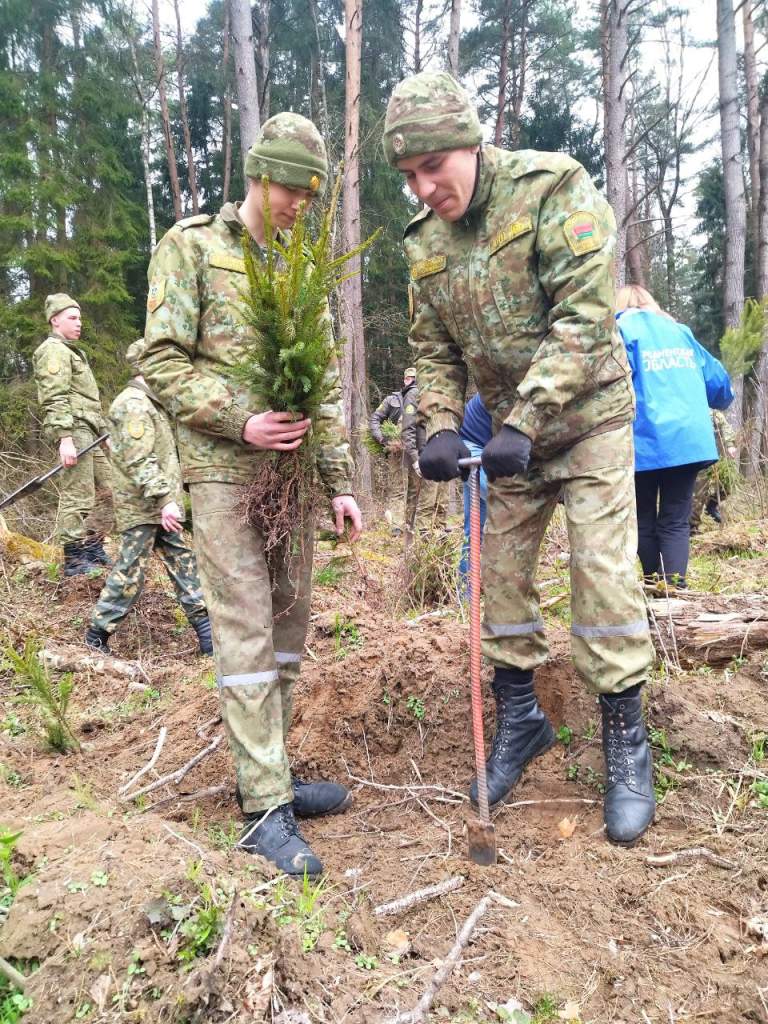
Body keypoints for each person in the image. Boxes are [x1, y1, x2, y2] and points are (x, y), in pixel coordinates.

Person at [384, 71, 656, 845]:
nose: (424, 188)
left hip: (590, 422)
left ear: (468, 141)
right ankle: (521, 721)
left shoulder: (551, 189)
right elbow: (432, 350)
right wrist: (438, 426)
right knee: (496, 577)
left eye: (432, 167)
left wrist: (529, 417)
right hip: (509, 443)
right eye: (409, 177)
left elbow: (584, 316)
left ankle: (626, 746)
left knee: (601, 576)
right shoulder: (425, 244)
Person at [138, 112, 363, 877]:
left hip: (291, 483)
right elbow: (159, 361)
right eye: (293, 186)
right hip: (226, 474)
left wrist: (338, 483)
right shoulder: (193, 247)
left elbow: (325, 385)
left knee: (290, 632)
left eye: (312, 191)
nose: (301, 203)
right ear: (260, 175)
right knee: (245, 635)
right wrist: (241, 421)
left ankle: (271, 771)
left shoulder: (302, 268)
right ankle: (262, 809)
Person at [85, 340, 212, 656]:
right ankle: (95, 636)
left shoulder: (152, 404)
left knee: (185, 563)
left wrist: (172, 495)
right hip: (144, 507)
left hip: (160, 507)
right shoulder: (133, 405)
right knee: (131, 571)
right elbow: (140, 460)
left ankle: (209, 637)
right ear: (146, 366)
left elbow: (164, 458)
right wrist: (163, 499)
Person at [615, 285, 734, 586]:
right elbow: (719, 384)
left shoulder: (619, 331)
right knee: (675, 520)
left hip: (642, 439)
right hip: (688, 441)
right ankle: (675, 592)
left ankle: (658, 588)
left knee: (642, 519)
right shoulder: (680, 332)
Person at [33, 294, 112, 576]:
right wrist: (64, 437)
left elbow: (89, 401)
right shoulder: (52, 350)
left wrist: (105, 433)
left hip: (91, 431)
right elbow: (54, 397)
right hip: (75, 430)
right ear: (55, 320)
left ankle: (93, 545)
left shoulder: (72, 351)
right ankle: (75, 558)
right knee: (77, 493)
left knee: (111, 489)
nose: (80, 323)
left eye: (79, 318)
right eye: (72, 318)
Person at [458, 393, 492, 586]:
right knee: (505, 497)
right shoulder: (509, 386)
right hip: (473, 444)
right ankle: (465, 592)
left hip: (500, 445)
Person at [689, 410, 738, 531]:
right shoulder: (691, 411)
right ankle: (692, 527)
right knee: (699, 493)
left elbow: (725, 426)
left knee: (728, 485)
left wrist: (730, 444)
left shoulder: (714, 412)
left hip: (718, 459)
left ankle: (711, 505)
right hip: (701, 459)